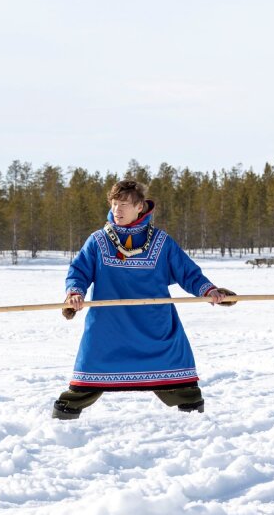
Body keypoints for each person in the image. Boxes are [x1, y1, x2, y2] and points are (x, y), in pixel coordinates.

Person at [52, 179, 235, 420]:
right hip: (109, 326)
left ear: (140, 207)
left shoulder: (161, 241)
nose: (118, 210)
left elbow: (187, 272)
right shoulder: (97, 240)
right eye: (115, 204)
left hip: (154, 325)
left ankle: (193, 423)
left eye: (125, 204)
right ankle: (64, 422)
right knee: (89, 377)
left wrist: (209, 291)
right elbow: (79, 271)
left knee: (181, 386)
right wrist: (75, 293)